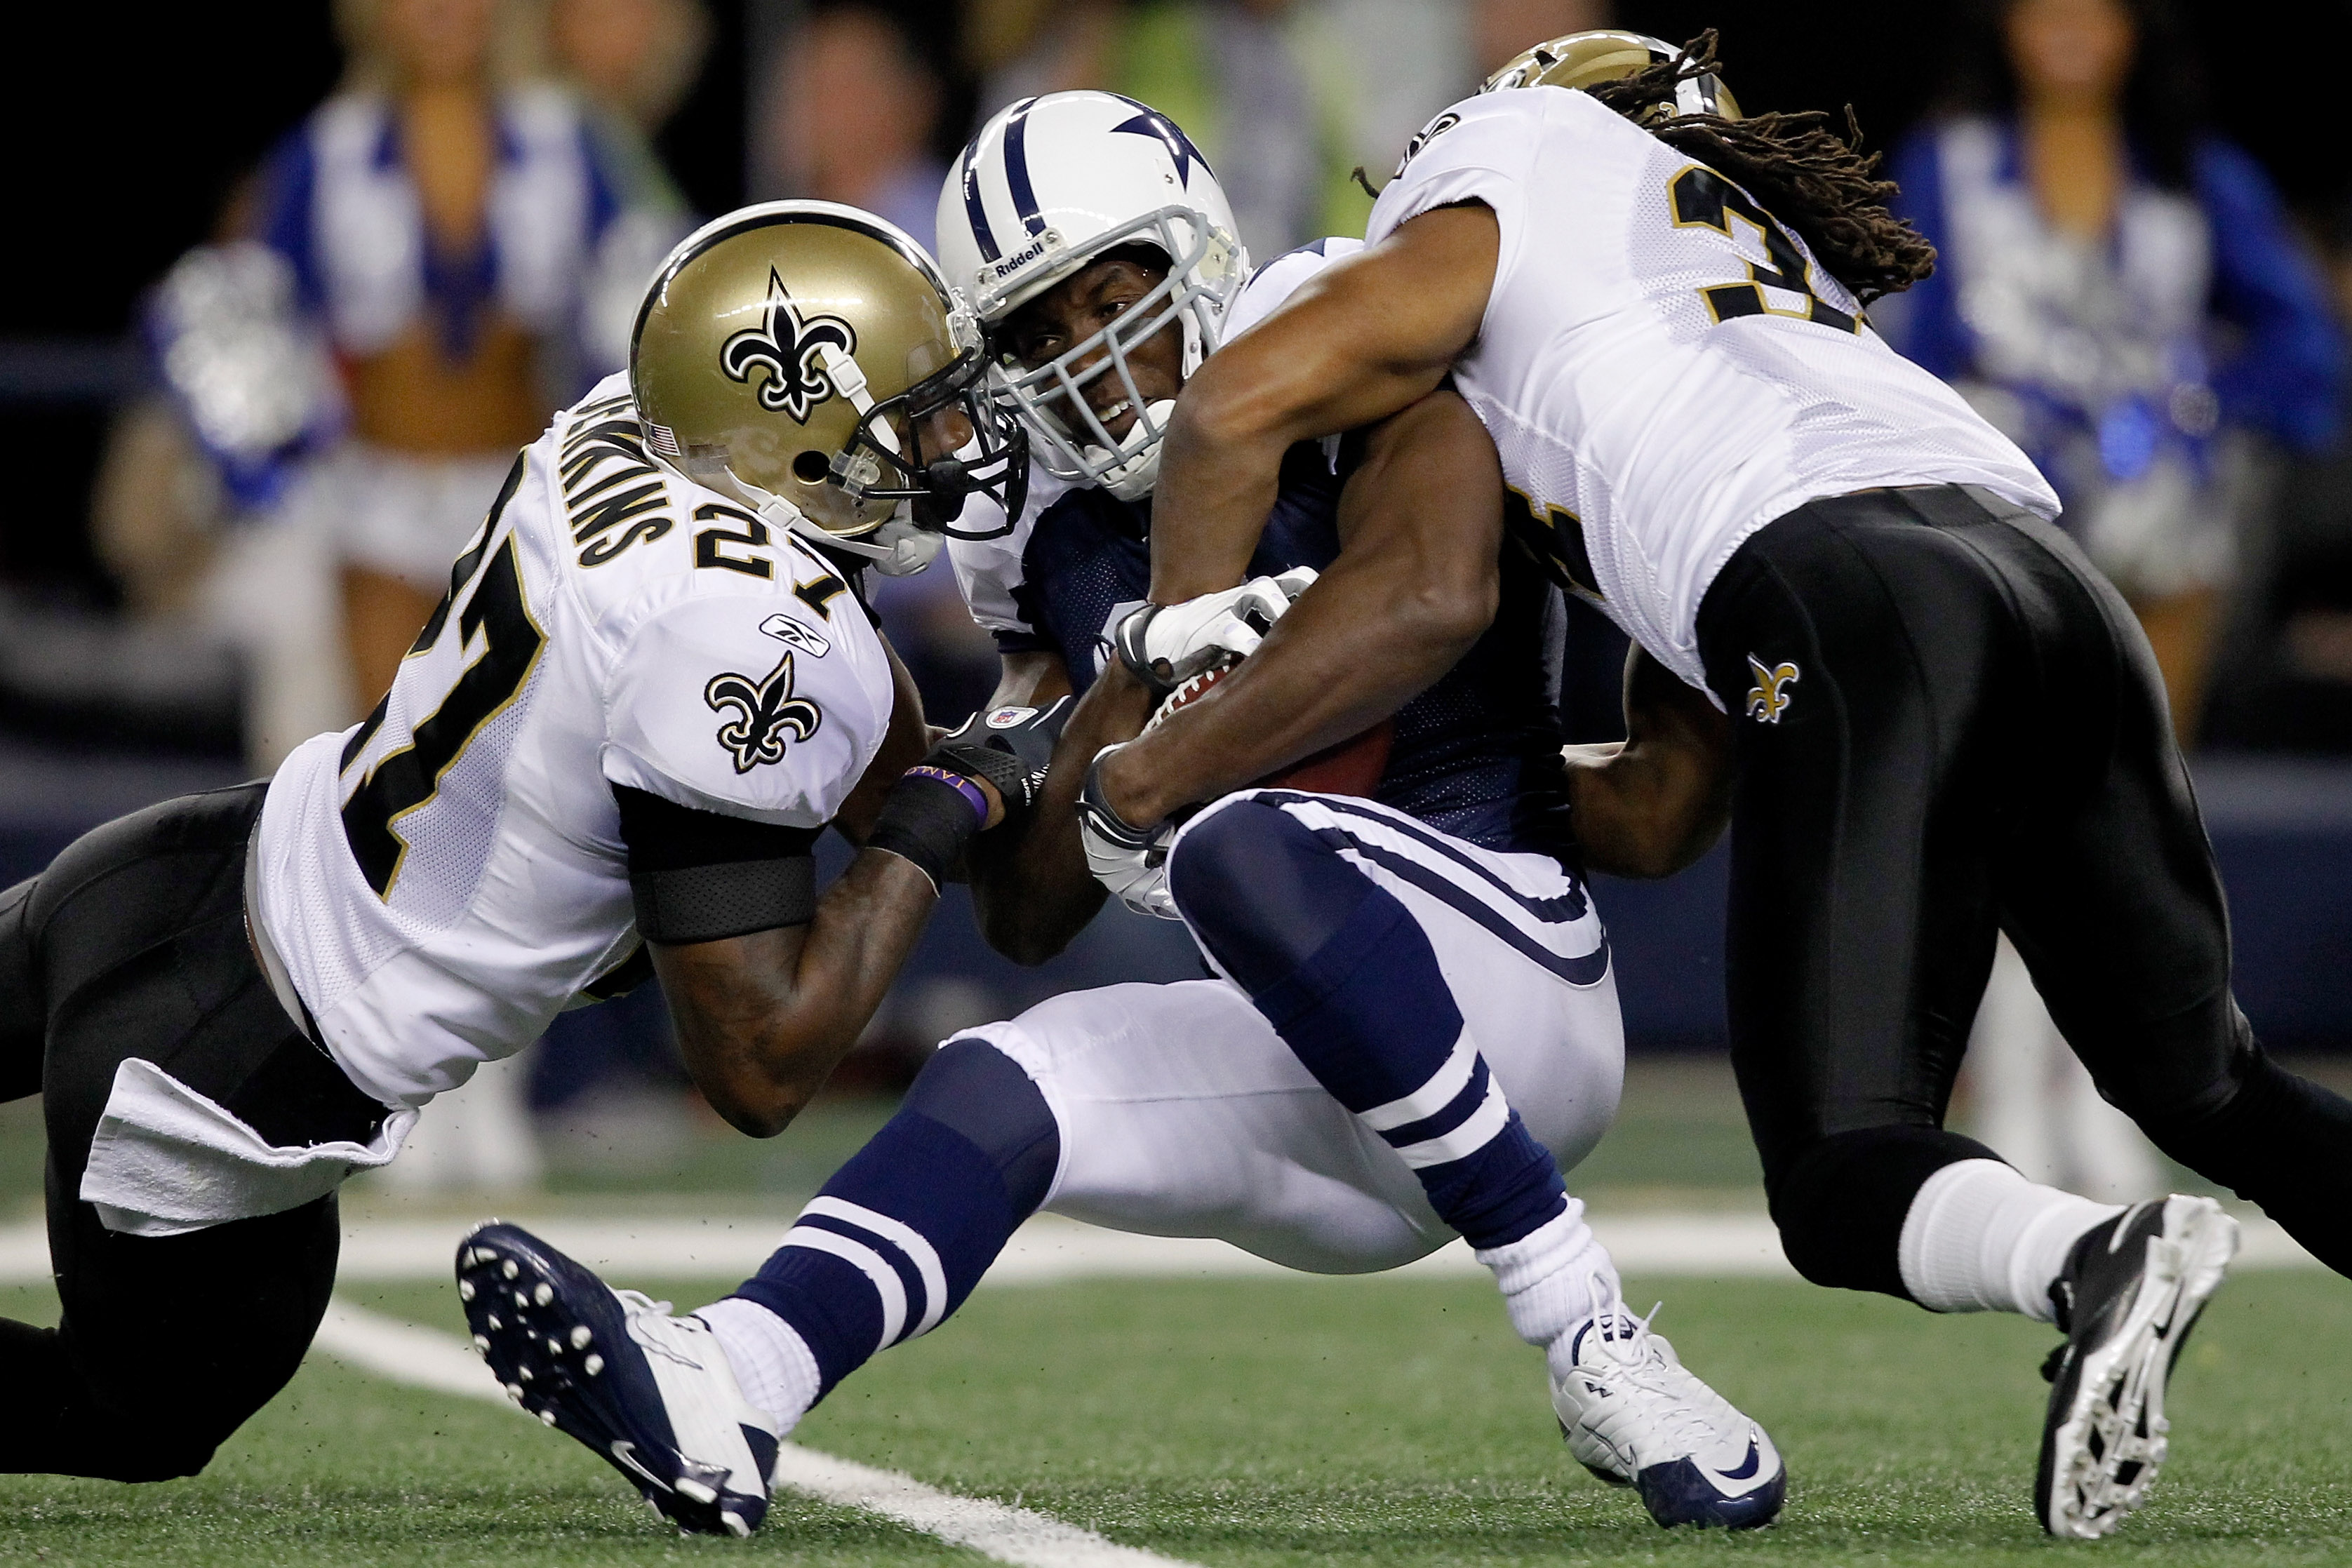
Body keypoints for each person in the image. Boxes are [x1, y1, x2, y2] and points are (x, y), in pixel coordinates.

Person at [461, 88, 1786, 1536]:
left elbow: (1429, 595)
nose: (1089, 358)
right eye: (1035, 329)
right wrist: (1123, 675)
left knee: (1226, 831)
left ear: (1200, 259)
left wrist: (1162, 740)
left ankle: (1594, 1331)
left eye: (1115, 294)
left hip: (1512, 977)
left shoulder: (1345, 341)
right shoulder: (1048, 533)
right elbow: (1031, 911)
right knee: (1003, 1072)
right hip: (1325, 1073)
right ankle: (738, 1379)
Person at [1111, 29, 2352, 1539]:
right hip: (2044, 579)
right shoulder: (1747, 278)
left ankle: (2092, 1257)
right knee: (2204, 1079)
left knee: (1839, 1173)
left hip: (1837, 594)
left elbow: (1237, 401)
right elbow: (1653, 805)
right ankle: (2124, 1234)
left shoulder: (1526, 167)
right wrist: (1467, 799)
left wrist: (1174, 677)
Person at [0, 201, 1041, 1522]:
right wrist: (932, 823)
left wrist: (927, 762)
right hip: (229, 1073)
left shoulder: (626, 420)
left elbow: (808, 617)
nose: (947, 442)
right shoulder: (739, 632)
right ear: (791, 419)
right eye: (917, 411)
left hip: (172, 867)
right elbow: (762, 1068)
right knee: (138, 1414)